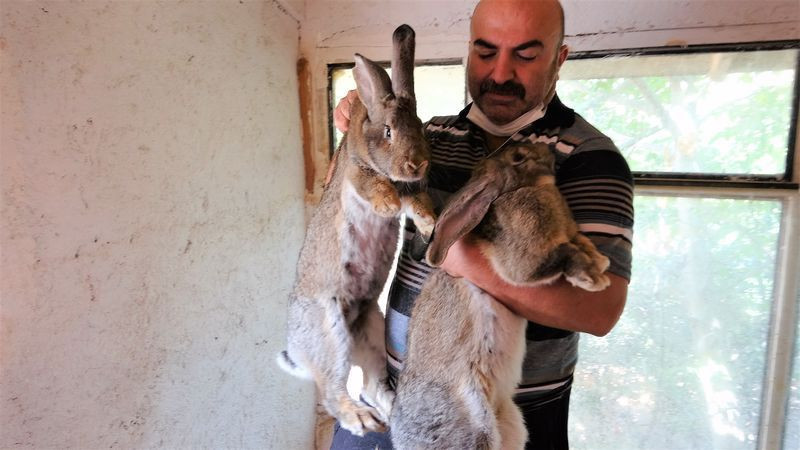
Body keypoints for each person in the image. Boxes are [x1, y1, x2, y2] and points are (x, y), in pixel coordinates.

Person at [329, 0, 633, 448]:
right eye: (486, 52)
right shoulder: (429, 137)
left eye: (526, 55)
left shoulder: (589, 158)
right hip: (389, 396)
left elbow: (599, 309)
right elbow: (349, 201)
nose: (501, 73)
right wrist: (361, 135)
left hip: (499, 417)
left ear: (559, 58)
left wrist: (461, 257)